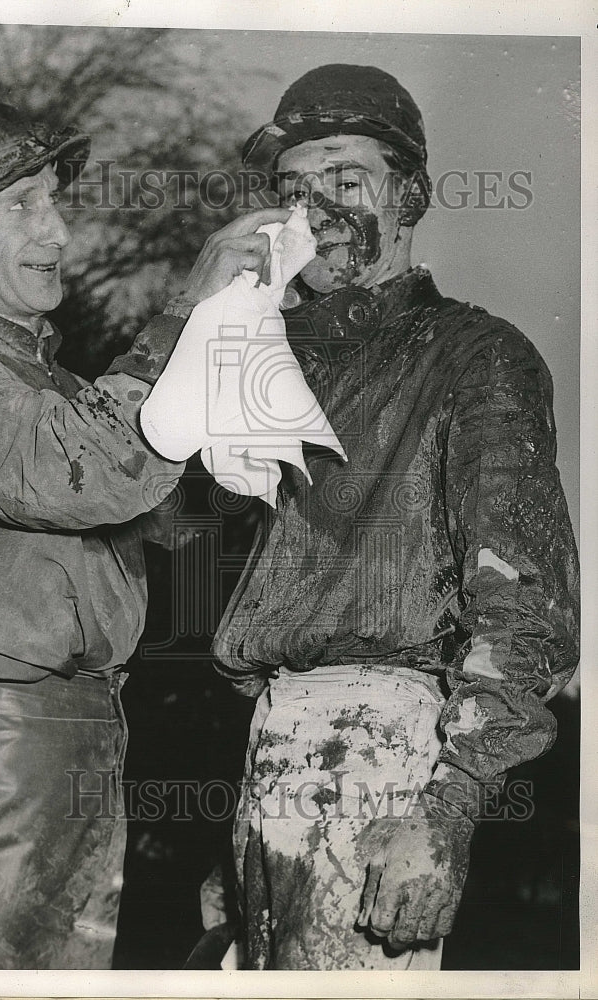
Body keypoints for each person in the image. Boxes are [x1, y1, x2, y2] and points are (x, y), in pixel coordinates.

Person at [0, 94, 287, 970]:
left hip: (83, 727)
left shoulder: (37, 376)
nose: (57, 231)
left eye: (56, 201)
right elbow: (77, 469)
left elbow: (147, 514)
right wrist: (187, 315)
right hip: (1, 739)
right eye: (20, 204)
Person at [208, 64, 580, 970]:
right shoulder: (259, 361)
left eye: (345, 177)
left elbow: (522, 605)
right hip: (270, 744)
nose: (316, 207)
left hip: (390, 750)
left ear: (409, 192)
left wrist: (443, 810)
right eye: (292, 189)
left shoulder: (475, 356)